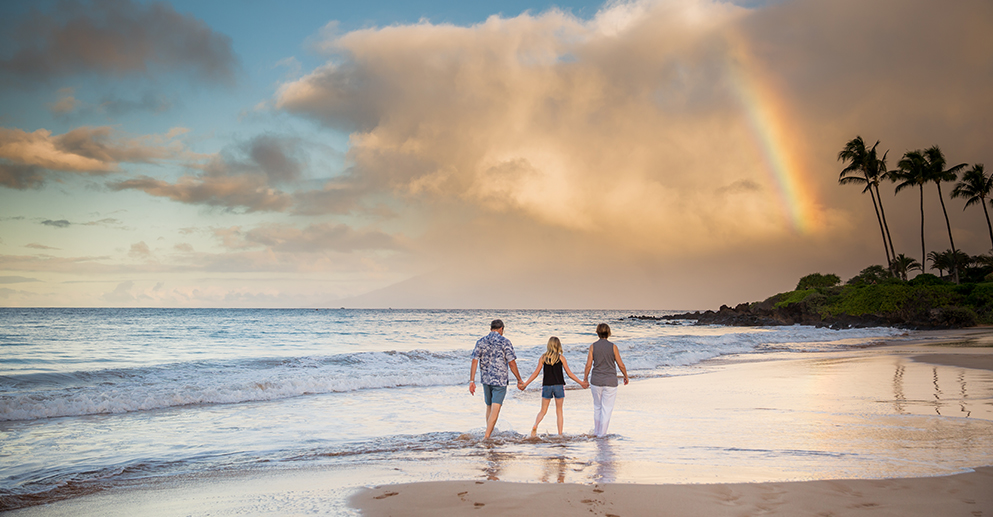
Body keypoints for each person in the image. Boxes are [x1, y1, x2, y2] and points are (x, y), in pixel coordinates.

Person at [521, 336, 588, 437]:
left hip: (547, 386)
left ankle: (535, 425)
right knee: (559, 411)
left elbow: (535, 373)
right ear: (558, 345)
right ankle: (560, 434)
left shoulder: (543, 358)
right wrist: (581, 382)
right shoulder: (561, 358)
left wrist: (525, 384)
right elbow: (569, 374)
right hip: (558, 386)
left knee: (543, 410)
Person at [469, 319, 524, 439]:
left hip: (486, 379)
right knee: (496, 407)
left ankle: (489, 432)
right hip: (500, 380)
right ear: (501, 329)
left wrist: (472, 381)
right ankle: (487, 436)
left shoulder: (481, 341)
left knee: (489, 406)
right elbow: (512, 363)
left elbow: (474, 360)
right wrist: (519, 379)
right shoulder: (505, 342)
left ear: (491, 329)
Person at [583, 323, 629, 437]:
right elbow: (621, 364)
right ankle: (602, 434)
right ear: (608, 333)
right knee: (606, 408)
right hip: (610, 382)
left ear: (597, 333)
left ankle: (597, 432)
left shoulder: (593, 346)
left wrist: (585, 378)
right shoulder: (613, 347)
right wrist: (625, 376)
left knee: (597, 407)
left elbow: (588, 365)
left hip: (596, 381)